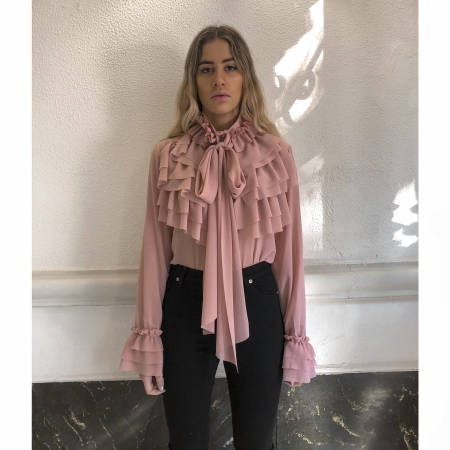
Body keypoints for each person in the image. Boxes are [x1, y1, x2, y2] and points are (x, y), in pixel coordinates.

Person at [118, 25, 317, 450]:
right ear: (194, 81)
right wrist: (149, 337)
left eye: (230, 67)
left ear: (246, 77)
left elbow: (290, 256)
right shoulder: (168, 155)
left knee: (257, 442)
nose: (219, 79)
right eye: (206, 69)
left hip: (257, 299)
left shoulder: (276, 154)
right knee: (185, 441)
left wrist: (295, 338)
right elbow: (155, 250)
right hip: (186, 300)